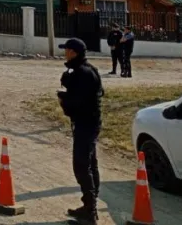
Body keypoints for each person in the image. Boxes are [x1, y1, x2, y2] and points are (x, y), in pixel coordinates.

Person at [57, 38, 104, 225]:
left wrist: (64, 102)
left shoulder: (83, 73)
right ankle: (89, 206)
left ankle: (90, 212)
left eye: (66, 50)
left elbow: (80, 102)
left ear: (73, 52)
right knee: (90, 164)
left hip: (86, 123)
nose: (64, 53)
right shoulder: (86, 69)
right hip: (89, 122)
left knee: (81, 165)